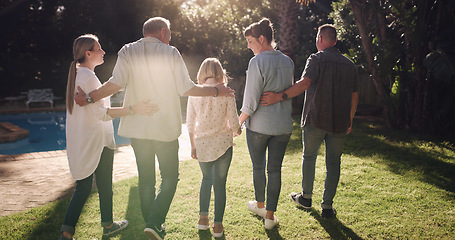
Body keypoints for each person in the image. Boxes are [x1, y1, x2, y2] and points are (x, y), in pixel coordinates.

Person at [74, 17, 234, 240]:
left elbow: (115, 83)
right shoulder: (170, 53)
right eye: (169, 34)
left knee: (146, 179)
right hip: (164, 128)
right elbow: (186, 88)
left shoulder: (127, 50)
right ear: (162, 32)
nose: (170, 39)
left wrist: (90, 98)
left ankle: (153, 225)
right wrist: (217, 91)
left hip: (138, 129)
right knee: (170, 177)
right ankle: (155, 222)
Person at [60, 34, 158, 240]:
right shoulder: (87, 77)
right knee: (96, 186)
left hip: (90, 140)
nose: (103, 52)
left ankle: (95, 227)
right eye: (99, 49)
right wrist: (134, 109)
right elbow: (102, 114)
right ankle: (86, 230)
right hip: (96, 141)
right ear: (88, 53)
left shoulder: (80, 76)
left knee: (91, 186)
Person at [260, 24, 359, 218]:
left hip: (316, 119)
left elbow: (305, 83)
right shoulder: (350, 65)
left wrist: (279, 96)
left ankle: (306, 197)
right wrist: (350, 119)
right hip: (340, 122)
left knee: (310, 157)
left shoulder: (316, 58)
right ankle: (327, 207)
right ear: (335, 41)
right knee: (334, 163)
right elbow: (355, 96)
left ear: (320, 39)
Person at [238, 18, 294, 230]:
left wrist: (239, 122)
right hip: (282, 127)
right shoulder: (288, 61)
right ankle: (269, 217)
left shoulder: (257, 62)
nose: (248, 46)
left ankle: (260, 205)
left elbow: (250, 101)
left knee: (259, 167)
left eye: (250, 41)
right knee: (275, 170)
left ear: (262, 39)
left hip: (259, 128)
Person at [186, 58, 242, 238]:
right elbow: (234, 122)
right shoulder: (227, 92)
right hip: (223, 144)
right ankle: (218, 226)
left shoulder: (194, 93)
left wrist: (193, 145)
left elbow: (190, 123)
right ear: (220, 72)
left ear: (202, 72)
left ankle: (203, 220)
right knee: (220, 186)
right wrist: (238, 130)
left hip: (202, 143)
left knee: (205, 180)